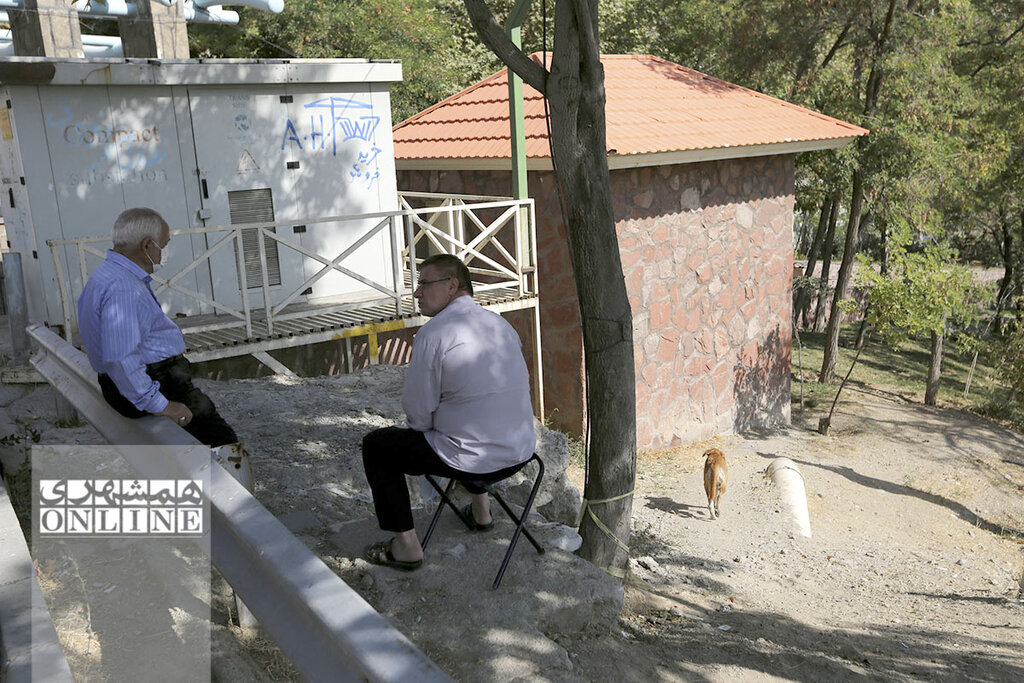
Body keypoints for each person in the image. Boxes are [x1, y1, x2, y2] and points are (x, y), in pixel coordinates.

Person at [362, 254, 536, 570]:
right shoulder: (500, 324)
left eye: (424, 284)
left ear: (452, 285)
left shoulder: (435, 332)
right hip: (520, 453)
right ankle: (481, 514)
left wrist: (434, 423)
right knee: (469, 423)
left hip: (472, 461)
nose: (417, 293)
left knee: (378, 446)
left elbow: (417, 415)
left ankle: (406, 547)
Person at [77, 207, 239, 448]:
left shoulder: (107, 274)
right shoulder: (124, 288)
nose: (165, 252)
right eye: (164, 244)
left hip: (135, 382)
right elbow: (120, 358)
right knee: (223, 442)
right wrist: (161, 405)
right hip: (157, 382)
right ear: (147, 246)